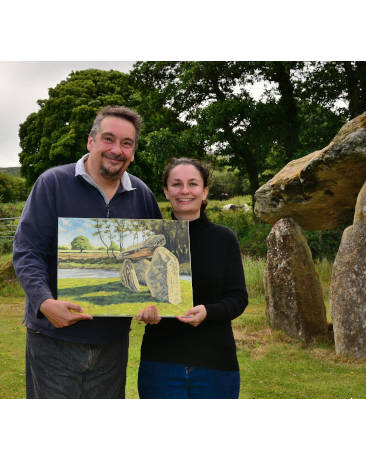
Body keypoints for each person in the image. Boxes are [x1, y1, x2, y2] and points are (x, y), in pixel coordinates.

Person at [13, 106, 162, 398]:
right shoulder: (53, 183)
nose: (116, 150)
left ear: (133, 151)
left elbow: (153, 256)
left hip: (112, 344)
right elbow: (27, 251)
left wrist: (157, 301)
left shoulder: (142, 195)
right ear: (90, 141)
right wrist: (44, 302)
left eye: (126, 143)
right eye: (108, 139)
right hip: (54, 340)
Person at [137, 157, 248, 398]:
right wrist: (142, 309)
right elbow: (138, 292)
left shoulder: (224, 239)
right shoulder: (151, 239)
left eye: (193, 184)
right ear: (166, 191)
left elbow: (238, 298)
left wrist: (208, 312)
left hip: (216, 365)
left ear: (205, 192)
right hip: (160, 364)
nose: (185, 190)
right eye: (176, 184)